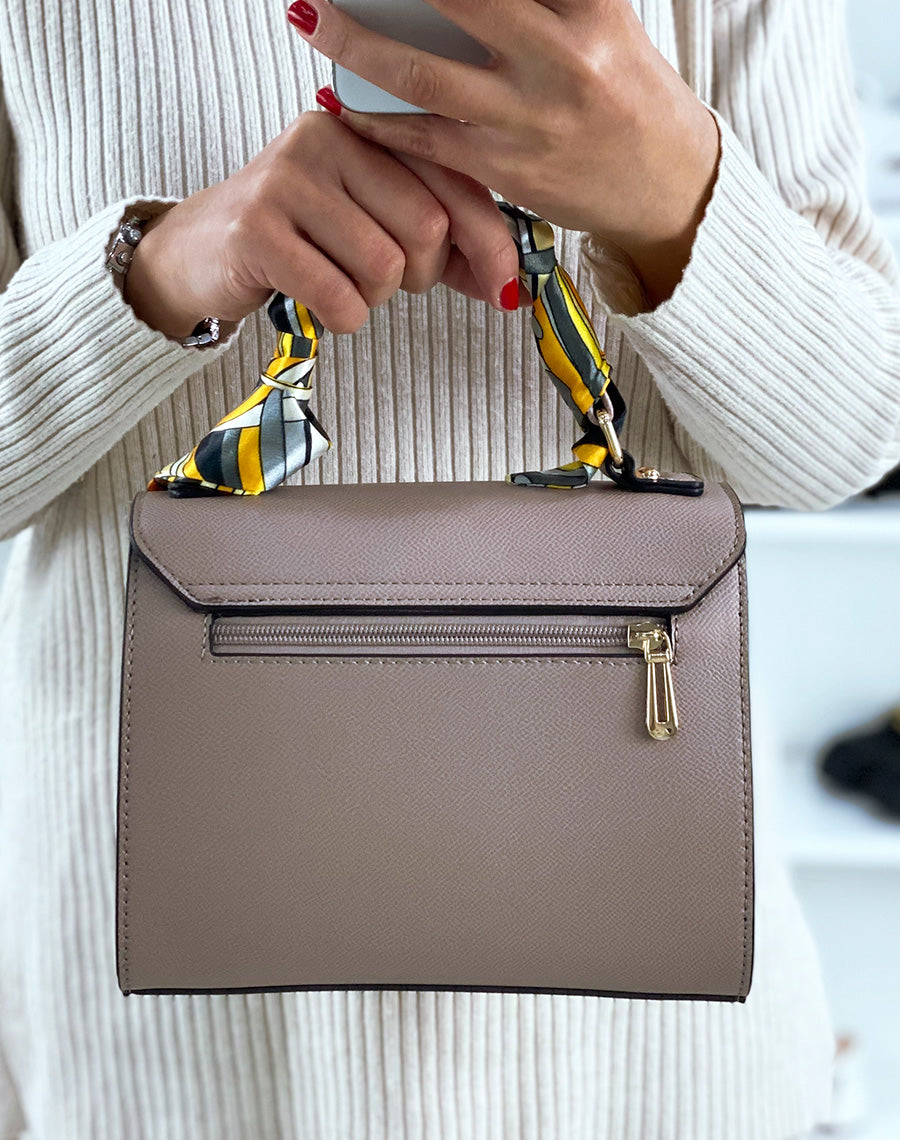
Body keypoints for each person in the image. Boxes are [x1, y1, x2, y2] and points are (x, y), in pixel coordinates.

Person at [0, 0, 897, 1136]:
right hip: (162, 1058)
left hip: (645, 1072)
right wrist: (158, 273)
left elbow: (840, 444)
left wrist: (672, 193)